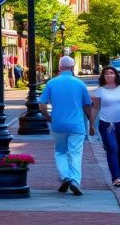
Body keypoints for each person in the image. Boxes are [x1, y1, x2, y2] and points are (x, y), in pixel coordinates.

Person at [39, 56, 93, 196]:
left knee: (60, 152)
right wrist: (92, 123)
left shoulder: (51, 83)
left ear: (60, 67)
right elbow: (88, 106)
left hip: (58, 124)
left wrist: (48, 117)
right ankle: (75, 181)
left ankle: (65, 176)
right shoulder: (80, 84)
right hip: (77, 125)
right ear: (72, 67)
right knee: (76, 153)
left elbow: (42, 105)